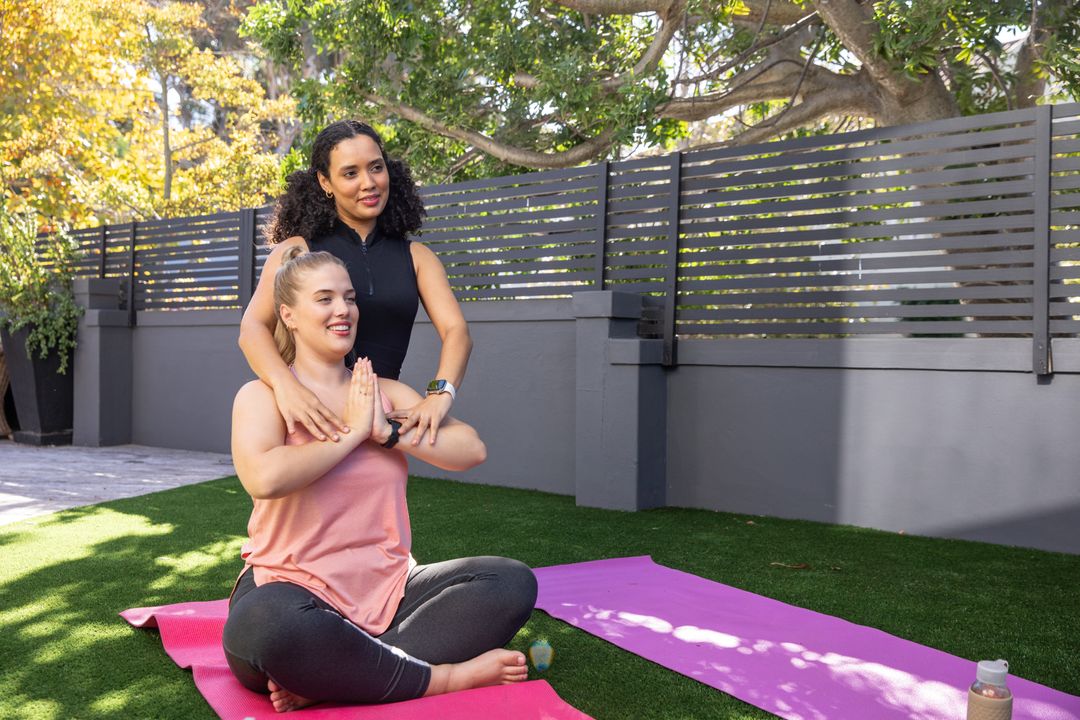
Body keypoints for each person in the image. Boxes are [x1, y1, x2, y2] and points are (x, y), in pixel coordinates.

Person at [224, 248, 537, 712]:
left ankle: (341, 674)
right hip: (291, 591)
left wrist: (386, 431)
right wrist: (351, 434)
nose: (343, 310)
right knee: (269, 625)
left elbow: (470, 449)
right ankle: (443, 678)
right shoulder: (264, 396)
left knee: (509, 581)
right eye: (324, 299)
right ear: (287, 314)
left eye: (349, 298)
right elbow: (263, 478)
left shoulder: (385, 394)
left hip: (391, 592)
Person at [239, 119, 469, 448]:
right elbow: (253, 328)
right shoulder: (297, 250)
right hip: (311, 412)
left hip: (380, 413)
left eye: (376, 168)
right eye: (350, 173)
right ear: (325, 182)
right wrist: (286, 388)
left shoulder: (418, 257)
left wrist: (440, 394)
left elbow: (456, 331)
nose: (368, 183)